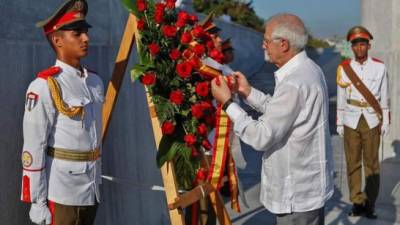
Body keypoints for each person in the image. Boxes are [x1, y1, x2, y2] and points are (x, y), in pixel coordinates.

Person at [211, 13, 334, 225]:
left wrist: (228, 104)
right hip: (304, 190)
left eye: (266, 41)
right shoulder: (308, 70)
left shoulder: (295, 82)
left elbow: (262, 136)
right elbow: (281, 112)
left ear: (283, 44)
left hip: (295, 195)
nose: (263, 46)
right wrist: (247, 91)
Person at [21, 1, 104, 224]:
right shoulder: (44, 86)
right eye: (77, 33)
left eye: (85, 32)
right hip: (63, 192)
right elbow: (33, 147)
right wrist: (37, 202)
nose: (85, 38)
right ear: (57, 40)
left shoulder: (95, 82)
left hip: (92, 189)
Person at [336, 26, 389, 219]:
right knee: (352, 163)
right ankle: (357, 201)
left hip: (371, 119)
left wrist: (385, 121)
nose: (359, 48)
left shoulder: (380, 67)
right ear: (352, 47)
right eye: (356, 44)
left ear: (369, 45)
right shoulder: (344, 68)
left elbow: (384, 96)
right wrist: (340, 122)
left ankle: (370, 203)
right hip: (351, 119)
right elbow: (341, 96)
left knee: (372, 165)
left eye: (363, 44)